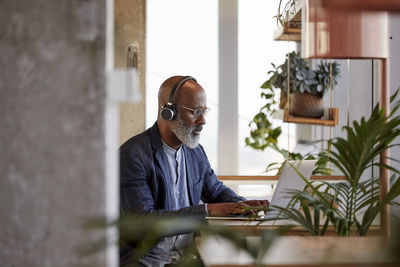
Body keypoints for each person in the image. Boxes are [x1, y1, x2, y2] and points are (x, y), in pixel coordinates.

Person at [119, 75, 269, 266]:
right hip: (145, 261)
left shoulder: (195, 152)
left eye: (204, 111)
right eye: (196, 111)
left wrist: (243, 205)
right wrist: (206, 210)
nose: (203, 120)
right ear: (168, 112)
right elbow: (142, 223)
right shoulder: (133, 155)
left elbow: (216, 191)